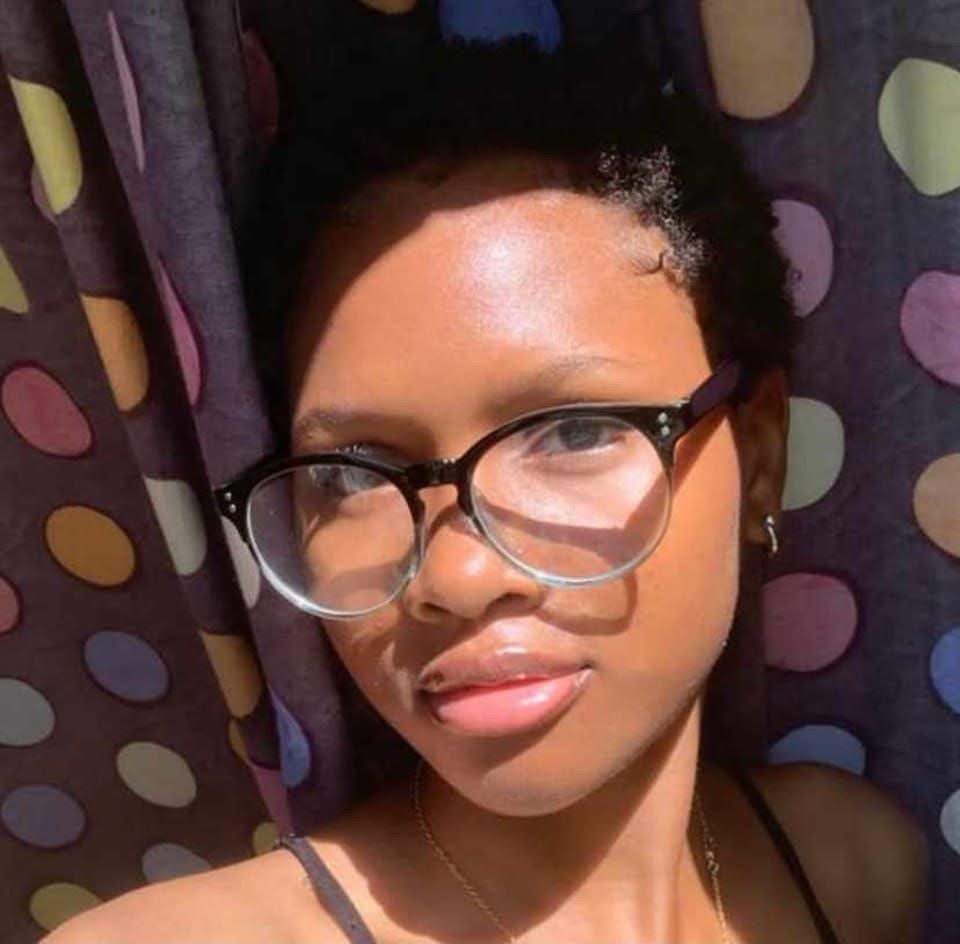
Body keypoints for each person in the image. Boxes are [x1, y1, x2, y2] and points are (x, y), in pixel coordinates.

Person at [45, 35, 927, 944]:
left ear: (760, 454)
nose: (457, 578)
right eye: (353, 473)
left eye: (574, 432)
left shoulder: (849, 868)